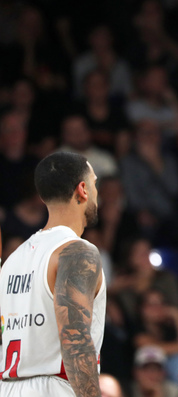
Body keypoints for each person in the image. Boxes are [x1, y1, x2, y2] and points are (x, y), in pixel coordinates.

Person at [0, 151, 106, 397]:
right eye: (95, 183)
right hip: (54, 387)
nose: (97, 192)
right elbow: (76, 340)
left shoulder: (12, 260)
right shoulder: (77, 251)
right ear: (83, 189)